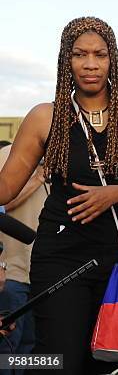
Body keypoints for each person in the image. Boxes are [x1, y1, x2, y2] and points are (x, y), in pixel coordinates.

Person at [0, 17, 118, 374]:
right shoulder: (46, 117)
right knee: (58, 361)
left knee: (112, 363)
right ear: (65, 60)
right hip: (61, 258)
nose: (90, 64)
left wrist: (117, 193)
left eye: (100, 54)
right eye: (79, 54)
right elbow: (5, 189)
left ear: (113, 59)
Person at [0, 145, 48, 375]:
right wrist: (38, 178)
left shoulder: (68, 158)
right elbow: (2, 205)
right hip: (12, 272)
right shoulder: (7, 156)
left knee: (32, 349)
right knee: (7, 348)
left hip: (44, 275)